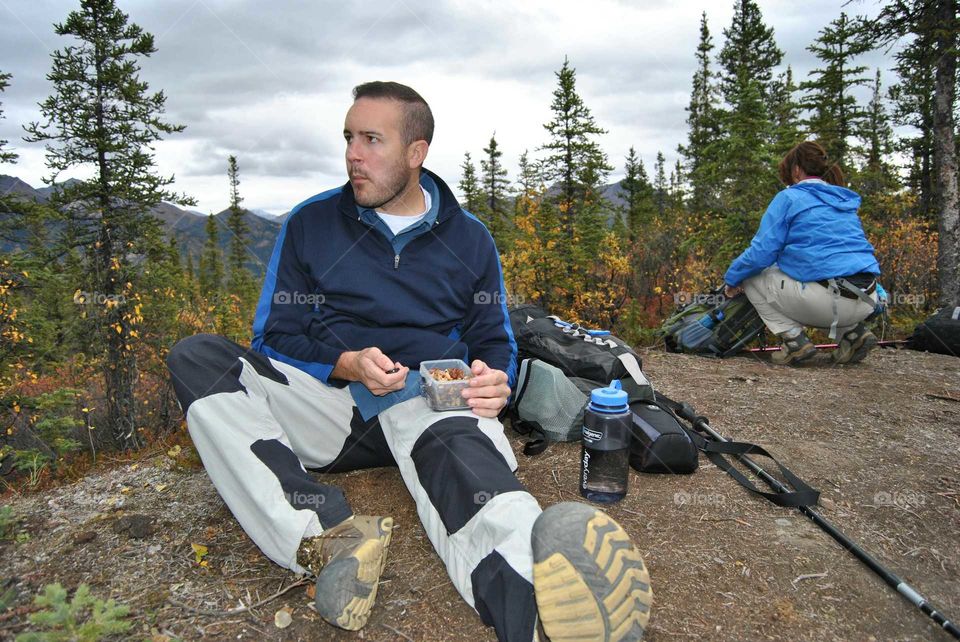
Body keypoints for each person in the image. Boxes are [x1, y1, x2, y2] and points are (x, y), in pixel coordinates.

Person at [166, 81, 652, 641]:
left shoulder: (469, 239)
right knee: (199, 358)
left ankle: (539, 608)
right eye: (349, 137)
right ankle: (325, 539)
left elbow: (492, 337)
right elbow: (274, 335)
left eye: (371, 139)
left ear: (416, 152)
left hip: (426, 399)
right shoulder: (310, 223)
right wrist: (346, 362)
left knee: (469, 470)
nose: (353, 153)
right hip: (327, 408)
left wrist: (494, 378)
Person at [723, 141, 881, 366]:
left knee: (752, 276)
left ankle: (793, 341)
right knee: (826, 279)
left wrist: (732, 279)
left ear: (796, 170)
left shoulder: (789, 198)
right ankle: (853, 334)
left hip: (827, 302)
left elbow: (761, 253)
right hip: (868, 298)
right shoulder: (842, 199)